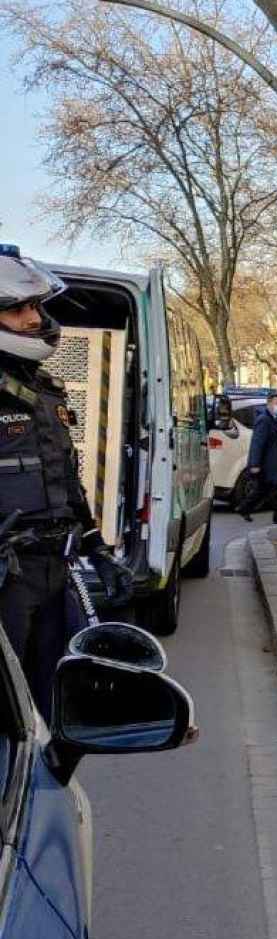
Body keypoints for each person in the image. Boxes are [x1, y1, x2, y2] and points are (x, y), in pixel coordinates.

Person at [0, 252, 133, 709]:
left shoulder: (42, 389)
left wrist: (98, 549)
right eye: (19, 309)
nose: (35, 318)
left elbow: (65, 481)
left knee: (48, 703)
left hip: (54, 570)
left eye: (36, 306)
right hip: (7, 577)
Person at [240, 393, 277, 525]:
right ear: (269, 404)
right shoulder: (264, 420)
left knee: (262, 490)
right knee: (276, 491)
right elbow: (257, 443)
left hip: (274, 461)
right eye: (276, 403)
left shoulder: (275, 419)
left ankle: (244, 508)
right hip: (269, 462)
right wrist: (255, 464)